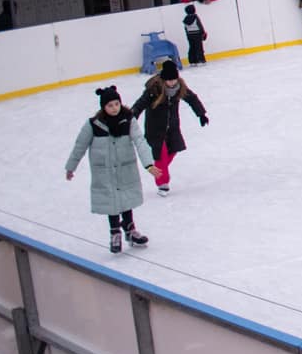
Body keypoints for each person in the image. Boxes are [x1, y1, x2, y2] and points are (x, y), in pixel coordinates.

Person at [65, 85, 154, 253]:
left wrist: (148, 164)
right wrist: (71, 167)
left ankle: (130, 229)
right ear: (103, 107)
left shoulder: (129, 120)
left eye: (116, 104)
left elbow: (140, 141)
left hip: (125, 168)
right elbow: (79, 146)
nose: (114, 108)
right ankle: (115, 233)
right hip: (104, 172)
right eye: (110, 105)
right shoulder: (93, 125)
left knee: (126, 198)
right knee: (111, 201)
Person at [132, 59, 208, 196]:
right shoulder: (154, 89)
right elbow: (140, 104)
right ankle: (163, 184)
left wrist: (201, 114)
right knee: (161, 156)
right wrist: (132, 118)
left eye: (174, 79)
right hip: (155, 129)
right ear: (164, 79)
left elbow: (192, 99)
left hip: (172, 127)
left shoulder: (180, 87)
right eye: (169, 80)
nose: (172, 82)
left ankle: (159, 168)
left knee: (173, 150)